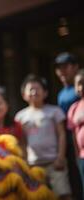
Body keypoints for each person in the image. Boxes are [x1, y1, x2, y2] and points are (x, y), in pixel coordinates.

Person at [15, 75, 71, 200]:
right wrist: (24, 162)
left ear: (45, 93)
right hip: (33, 164)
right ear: (24, 95)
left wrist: (61, 157)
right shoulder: (20, 117)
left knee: (63, 194)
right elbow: (22, 141)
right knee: (38, 196)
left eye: (37, 89)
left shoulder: (54, 111)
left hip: (54, 162)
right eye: (30, 89)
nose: (34, 92)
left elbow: (61, 134)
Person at [55, 52, 82, 199]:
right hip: (68, 144)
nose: (62, 71)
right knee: (74, 179)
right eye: (59, 68)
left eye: (66, 66)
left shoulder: (80, 91)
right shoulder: (61, 93)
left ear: (76, 67)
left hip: (80, 143)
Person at [67, 69, 84, 193]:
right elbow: (73, 134)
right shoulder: (74, 108)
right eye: (78, 83)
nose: (81, 87)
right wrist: (77, 156)